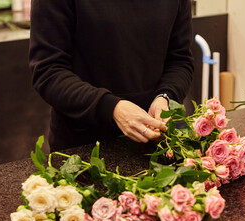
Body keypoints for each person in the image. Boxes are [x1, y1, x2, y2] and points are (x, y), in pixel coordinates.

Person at [29, 0, 194, 151]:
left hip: (155, 143)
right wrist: (112, 108)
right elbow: (48, 71)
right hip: (83, 151)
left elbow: (179, 60)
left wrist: (166, 96)